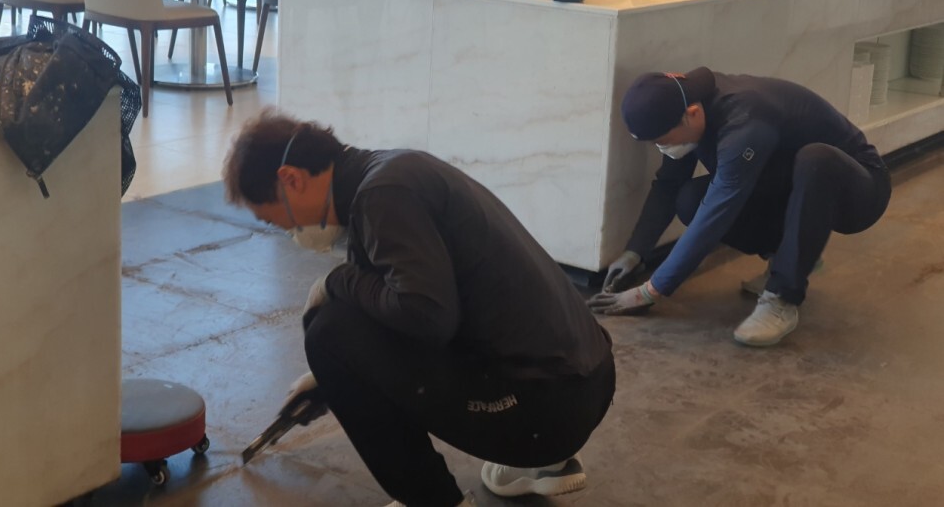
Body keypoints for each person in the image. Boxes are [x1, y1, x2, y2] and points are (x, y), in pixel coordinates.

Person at [223, 110, 615, 507]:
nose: (287, 233)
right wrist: (335, 377)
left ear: (291, 179)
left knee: (329, 333)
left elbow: (426, 316)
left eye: (273, 221)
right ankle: (547, 465)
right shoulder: (392, 173)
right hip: (583, 386)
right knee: (351, 324)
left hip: (542, 411)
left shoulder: (382, 197)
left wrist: (337, 283)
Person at [587, 67, 891, 347]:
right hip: (790, 189)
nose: (662, 148)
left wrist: (651, 290)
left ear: (692, 114)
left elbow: (718, 213)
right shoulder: (681, 105)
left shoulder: (745, 120)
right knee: (690, 199)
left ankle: (782, 297)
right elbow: (668, 185)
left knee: (817, 159)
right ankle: (791, 255)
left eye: (663, 140)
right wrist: (635, 252)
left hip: (860, 191)